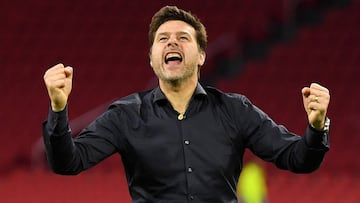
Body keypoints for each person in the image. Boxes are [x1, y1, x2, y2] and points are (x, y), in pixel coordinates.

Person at [42, 5, 331, 203]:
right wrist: (58, 109)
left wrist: (316, 127)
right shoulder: (125, 115)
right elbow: (69, 162)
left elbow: (299, 158)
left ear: (202, 55)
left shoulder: (235, 110)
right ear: (152, 58)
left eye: (183, 38)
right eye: (163, 39)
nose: (172, 43)